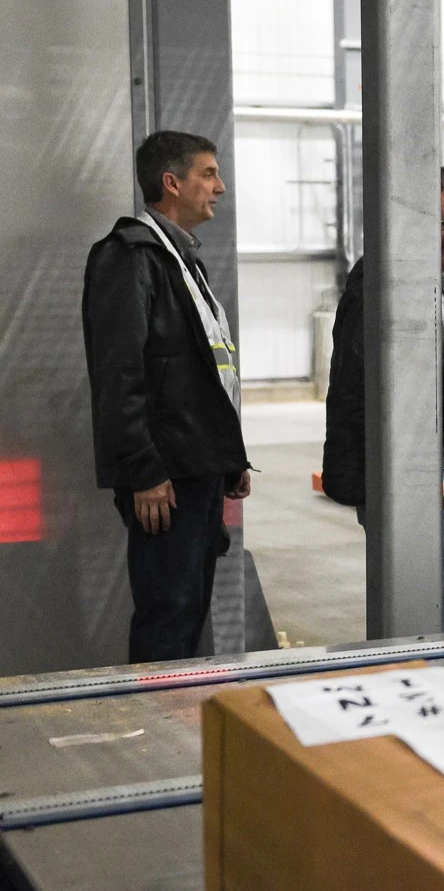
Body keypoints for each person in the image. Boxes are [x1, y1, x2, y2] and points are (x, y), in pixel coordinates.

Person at [82, 130, 250, 663]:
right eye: (208, 173)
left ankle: (179, 732)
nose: (219, 186)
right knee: (168, 616)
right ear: (171, 182)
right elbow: (118, 373)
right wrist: (142, 470)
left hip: (197, 469)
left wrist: (230, 455)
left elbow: (204, 370)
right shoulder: (130, 257)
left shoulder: (182, 261)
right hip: (166, 477)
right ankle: (151, 736)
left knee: (188, 612)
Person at [322, 167, 444, 632]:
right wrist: (411, 473)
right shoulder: (385, 288)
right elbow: (362, 394)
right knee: (424, 624)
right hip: (430, 485)